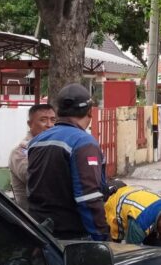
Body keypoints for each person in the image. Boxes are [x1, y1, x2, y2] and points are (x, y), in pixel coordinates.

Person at [27, 83, 110, 241]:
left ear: (58, 111)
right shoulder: (84, 143)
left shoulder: (36, 141)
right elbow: (89, 198)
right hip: (72, 238)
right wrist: (103, 239)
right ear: (89, 112)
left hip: (41, 233)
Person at [104, 180, 161, 248]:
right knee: (114, 249)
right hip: (115, 205)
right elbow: (132, 252)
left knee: (157, 252)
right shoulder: (139, 224)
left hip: (136, 195)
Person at [8, 104, 56, 211]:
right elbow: (34, 178)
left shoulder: (54, 147)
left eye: (53, 120)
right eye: (43, 120)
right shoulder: (19, 152)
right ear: (30, 124)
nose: (50, 125)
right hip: (31, 218)